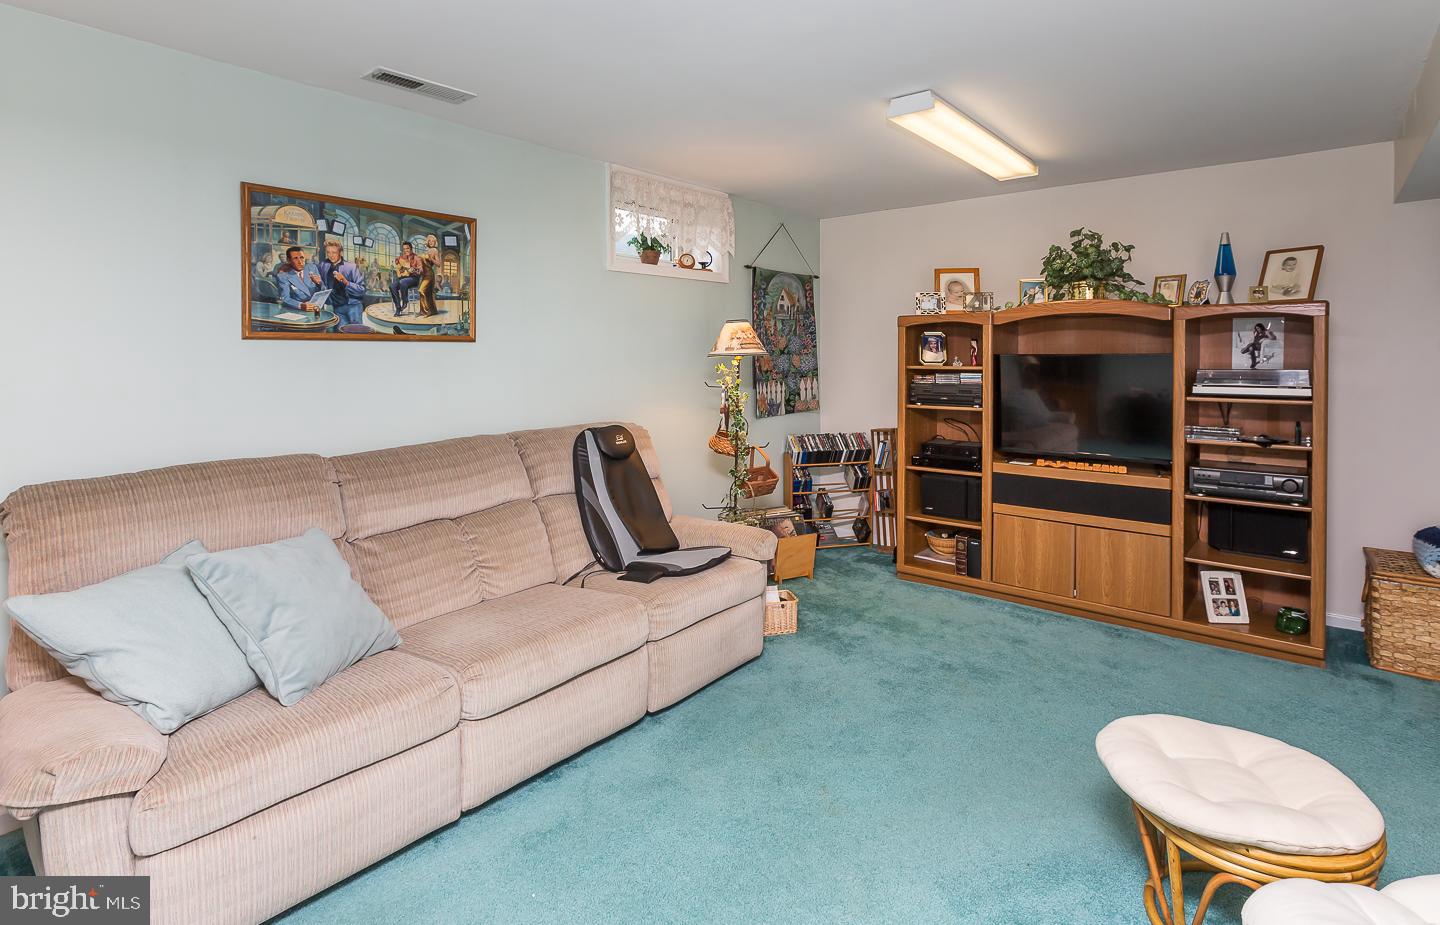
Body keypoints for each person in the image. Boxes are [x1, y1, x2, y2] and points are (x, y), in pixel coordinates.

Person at [311, 240, 367, 329]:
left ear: (340, 252)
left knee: (356, 332)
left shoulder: (351, 267)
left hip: (353, 306)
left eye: (334, 252)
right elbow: (323, 288)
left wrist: (346, 282)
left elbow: (362, 290)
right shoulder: (323, 266)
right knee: (341, 334)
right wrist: (318, 283)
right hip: (337, 307)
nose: (331, 255)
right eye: (328, 252)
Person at [275, 246, 321, 312]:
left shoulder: (312, 268)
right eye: (295, 258)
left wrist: (319, 283)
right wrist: (300, 305)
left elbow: (323, 290)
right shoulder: (283, 276)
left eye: (302, 257)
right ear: (289, 260)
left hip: (316, 308)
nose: (300, 262)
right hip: (297, 311)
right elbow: (285, 298)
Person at [389, 241, 422, 314]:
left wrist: (413, 270)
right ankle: (398, 307)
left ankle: (405, 301)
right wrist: (399, 266)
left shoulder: (416, 258)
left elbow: (421, 270)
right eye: (404, 249)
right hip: (403, 277)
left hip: (414, 279)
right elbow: (398, 265)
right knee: (392, 286)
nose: (405, 250)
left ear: (411, 249)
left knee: (402, 282)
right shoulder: (402, 258)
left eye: (407, 248)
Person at [417, 234, 440, 317]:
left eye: (433, 241)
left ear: (435, 242)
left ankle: (427, 311)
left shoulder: (435, 250)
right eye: (429, 240)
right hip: (424, 274)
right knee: (427, 293)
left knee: (421, 290)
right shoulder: (426, 251)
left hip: (429, 274)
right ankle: (423, 311)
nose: (431, 242)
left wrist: (432, 259)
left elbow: (439, 264)